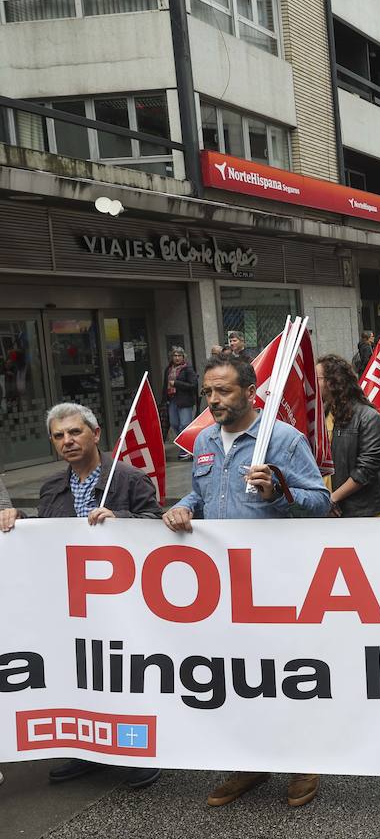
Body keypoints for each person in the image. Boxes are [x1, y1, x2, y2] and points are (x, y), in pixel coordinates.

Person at [162, 355, 331, 808]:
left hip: (275, 582)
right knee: (237, 675)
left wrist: (278, 492)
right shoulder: (202, 441)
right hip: (223, 587)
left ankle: (303, 762)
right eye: (208, 392)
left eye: (224, 391)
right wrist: (182, 507)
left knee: (284, 673)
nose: (214, 400)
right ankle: (249, 763)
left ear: (250, 392)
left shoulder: (282, 440)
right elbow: (202, 494)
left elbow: (321, 502)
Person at [0, 401, 162, 791]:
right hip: (72, 605)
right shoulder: (51, 486)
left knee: (122, 675)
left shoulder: (127, 478)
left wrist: (121, 522)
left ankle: (138, 752)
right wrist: (20, 524)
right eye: (59, 436)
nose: (68, 441)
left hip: (122, 601)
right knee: (80, 676)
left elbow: (157, 526)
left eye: (75, 432)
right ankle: (87, 750)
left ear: (95, 434)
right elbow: (48, 539)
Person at [316, 354, 380, 518]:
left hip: (358, 514)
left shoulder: (369, 418)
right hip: (326, 511)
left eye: (316, 378)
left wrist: (332, 499)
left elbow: (365, 470)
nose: (312, 383)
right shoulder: (321, 415)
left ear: (332, 382)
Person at [163, 346, 198, 452]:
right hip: (172, 400)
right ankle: (184, 443)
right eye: (175, 355)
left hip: (185, 401)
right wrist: (164, 399)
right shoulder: (168, 369)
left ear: (183, 357)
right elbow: (165, 386)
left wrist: (176, 383)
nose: (177, 358)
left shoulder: (188, 369)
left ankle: (186, 448)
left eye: (179, 356)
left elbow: (193, 385)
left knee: (185, 425)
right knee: (174, 423)